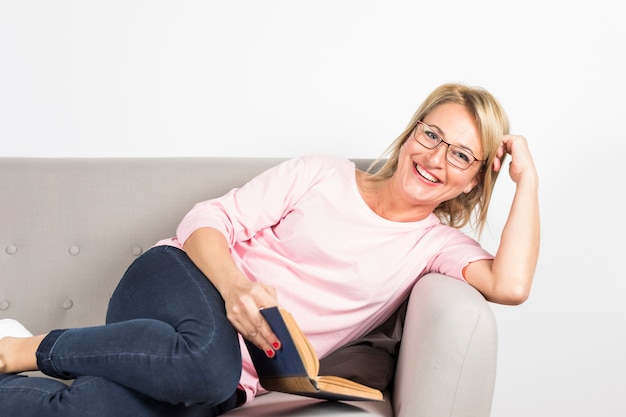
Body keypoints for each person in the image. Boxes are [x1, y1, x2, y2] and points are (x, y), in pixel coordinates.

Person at [0, 83, 539, 416]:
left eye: (462, 155)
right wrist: (234, 289)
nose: (437, 158)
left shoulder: (434, 247)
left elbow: (510, 286)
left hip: (231, 371)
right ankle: (20, 349)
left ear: (473, 181)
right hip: (181, 281)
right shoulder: (322, 174)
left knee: (96, 408)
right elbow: (206, 219)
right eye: (432, 136)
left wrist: (528, 179)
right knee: (205, 370)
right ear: (410, 133)